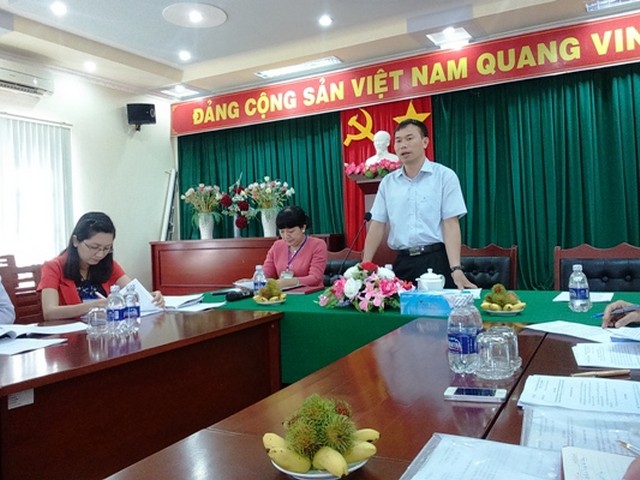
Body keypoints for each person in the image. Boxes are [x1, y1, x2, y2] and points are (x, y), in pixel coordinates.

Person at [362, 119, 476, 289]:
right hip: (402, 262)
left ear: (425, 142)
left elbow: (451, 224)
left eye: (409, 138)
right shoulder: (388, 183)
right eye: (398, 141)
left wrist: (456, 268)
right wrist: (365, 266)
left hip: (436, 260)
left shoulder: (444, 176)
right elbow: (377, 224)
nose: (403, 145)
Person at [38, 211, 164, 321]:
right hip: (71, 335)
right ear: (76, 241)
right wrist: (93, 306)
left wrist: (150, 297)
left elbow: (132, 290)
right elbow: (49, 312)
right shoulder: (53, 267)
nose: (100, 254)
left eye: (106, 248)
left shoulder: (108, 265)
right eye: (94, 247)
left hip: (104, 331)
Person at [262, 206, 328, 288]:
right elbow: (267, 272)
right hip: (283, 293)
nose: (286, 236)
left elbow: (315, 278)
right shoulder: (277, 246)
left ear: (303, 227)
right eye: (282, 232)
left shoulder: (318, 245)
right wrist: (259, 277)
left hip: (310, 293)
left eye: (291, 231)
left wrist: (289, 282)